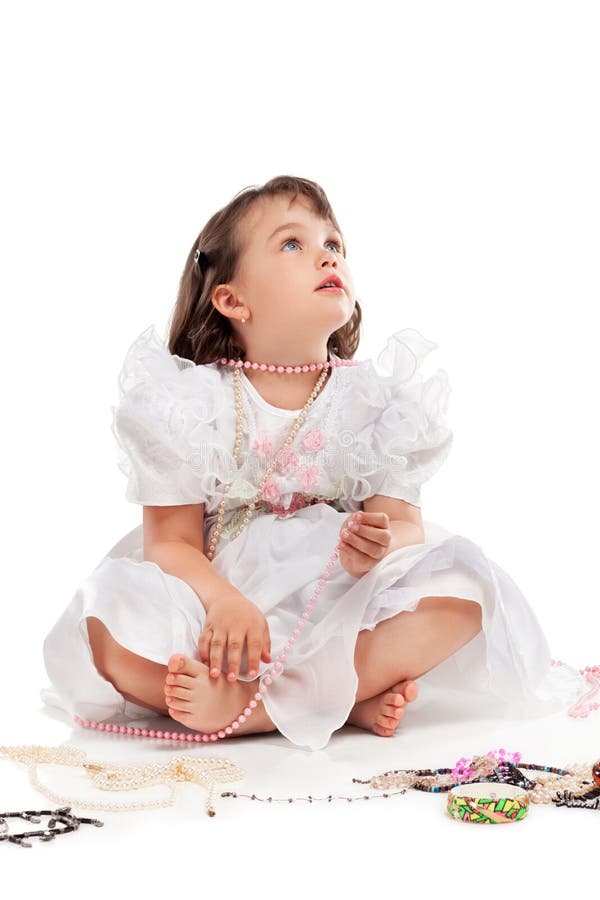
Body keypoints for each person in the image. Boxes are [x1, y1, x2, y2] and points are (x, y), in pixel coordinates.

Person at [40, 175, 591, 752]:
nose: (327, 254)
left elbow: (404, 525)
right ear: (232, 299)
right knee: (105, 619)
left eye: (334, 244)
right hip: (218, 596)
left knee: (465, 590)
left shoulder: (377, 401)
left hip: (332, 588)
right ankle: (340, 697)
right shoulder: (189, 402)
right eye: (292, 244)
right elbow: (170, 543)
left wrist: (376, 547)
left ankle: (252, 712)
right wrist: (224, 602)